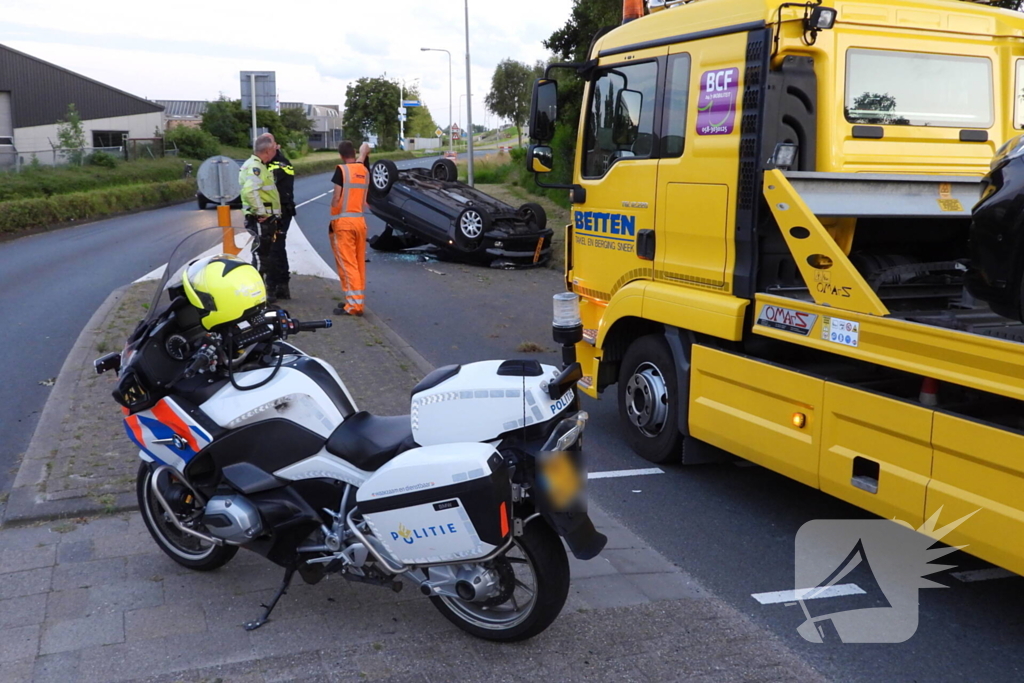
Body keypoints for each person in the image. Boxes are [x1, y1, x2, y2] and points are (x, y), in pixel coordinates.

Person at [238, 136, 283, 302]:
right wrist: (261, 212)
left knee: (263, 256)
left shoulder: (256, 165)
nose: (276, 151)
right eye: (274, 149)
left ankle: (259, 294)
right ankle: (255, 296)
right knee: (260, 257)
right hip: (261, 220)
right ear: (267, 151)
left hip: (264, 219)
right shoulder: (256, 167)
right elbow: (250, 191)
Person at [329, 141, 371, 316]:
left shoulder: (342, 170)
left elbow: (336, 197)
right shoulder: (364, 171)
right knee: (358, 264)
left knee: (347, 265)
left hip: (344, 224)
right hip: (360, 222)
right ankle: (354, 300)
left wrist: (334, 211)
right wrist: (363, 153)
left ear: (340, 155)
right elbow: (359, 164)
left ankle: (354, 306)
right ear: (354, 152)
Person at [264, 134, 295, 300]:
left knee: (272, 249)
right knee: (278, 248)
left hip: (279, 213)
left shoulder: (279, 164)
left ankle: (272, 287)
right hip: (279, 211)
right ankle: (282, 285)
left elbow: (267, 187)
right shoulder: (273, 162)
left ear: (275, 146)